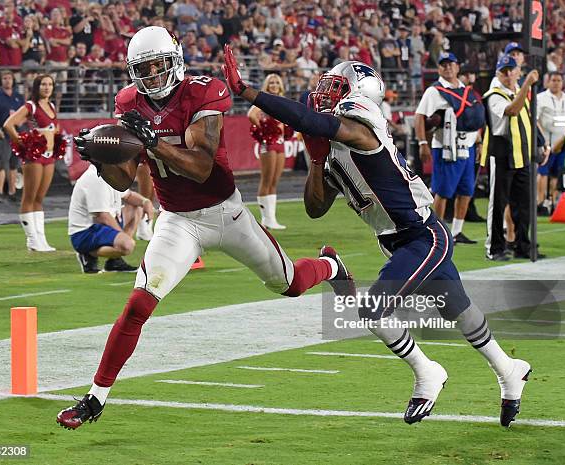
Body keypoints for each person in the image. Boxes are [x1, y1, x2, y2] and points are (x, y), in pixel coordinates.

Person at [56, 26, 353, 430]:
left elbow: (201, 166)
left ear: (175, 60)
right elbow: (124, 179)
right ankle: (95, 398)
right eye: (145, 69)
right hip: (177, 221)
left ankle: (330, 266)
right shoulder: (129, 101)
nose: (154, 76)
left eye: (159, 66)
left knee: (290, 284)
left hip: (225, 213)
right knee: (139, 304)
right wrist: (99, 158)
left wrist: (154, 142)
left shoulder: (203, 91)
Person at [223, 49, 532, 426]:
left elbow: (305, 117)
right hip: (399, 240)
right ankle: (508, 369)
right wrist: (318, 161)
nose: (323, 94)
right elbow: (314, 208)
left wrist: (248, 91)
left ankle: (426, 371)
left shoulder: (361, 128)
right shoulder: (336, 146)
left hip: (422, 235)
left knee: (374, 308)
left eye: (335, 88)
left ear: (358, 94)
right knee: (457, 309)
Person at [415, 52, 485, 245]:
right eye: (443, 65)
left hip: (468, 146)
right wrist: (422, 143)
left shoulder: (466, 90)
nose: (448, 68)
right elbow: (419, 116)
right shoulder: (434, 91)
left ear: (457, 67)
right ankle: (435, 234)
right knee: (443, 191)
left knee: (466, 191)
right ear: (439, 69)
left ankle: (456, 232)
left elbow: (472, 121)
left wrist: (478, 142)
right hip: (446, 147)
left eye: (451, 64)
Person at [481, 56, 545, 261]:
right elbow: (513, 110)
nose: (508, 75)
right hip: (502, 153)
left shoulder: (519, 92)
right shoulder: (494, 95)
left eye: (512, 70)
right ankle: (494, 247)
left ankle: (522, 245)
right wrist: (527, 84)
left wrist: (540, 144)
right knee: (498, 203)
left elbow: (529, 120)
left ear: (518, 71)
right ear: (497, 74)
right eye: (504, 71)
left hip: (522, 154)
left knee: (524, 204)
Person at [3, 74, 59, 252]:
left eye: (50, 84)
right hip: (34, 156)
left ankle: (41, 240)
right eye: (43, 84)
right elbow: (9, 124)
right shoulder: (31, 106)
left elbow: (54, 129)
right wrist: (22, 143)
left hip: (49, 156)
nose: (47, 87)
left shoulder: (51, 105)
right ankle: (31, 239)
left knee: (39, 198)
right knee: (29, 196)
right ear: (37, 87)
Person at [68, 164, 153, 273]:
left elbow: (128, 196)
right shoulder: (96, 178)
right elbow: (102, 216)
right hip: (84, 232)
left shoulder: (109, 173)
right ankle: (86, 253)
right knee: (127, 245)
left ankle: (114, 261)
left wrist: (145, 202)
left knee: (137, 208)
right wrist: (122, 236)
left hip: (99, 226)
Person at [248, 74, 288, 230]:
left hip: (280, 142)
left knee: (274, 182)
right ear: (266, 84)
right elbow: (251, 114)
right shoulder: (263, 99)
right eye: (271, 82)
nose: (274, 85)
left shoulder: (282, 99)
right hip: (268, 143)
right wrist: (264, 129)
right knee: (266, 180)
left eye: (276, 82)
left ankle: (272, 219)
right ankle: (266, 218)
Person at [536, 72, 565, 215]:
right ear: (547, 82)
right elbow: (535, 118)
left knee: (558, 174)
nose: (556, 83)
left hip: (562, 142)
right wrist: (542, 138)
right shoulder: (541, 98)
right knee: (543, 172)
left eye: (559, 80)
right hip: (546, 142)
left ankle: (552, 202)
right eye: (553, 80)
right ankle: (541, 202)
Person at [0, 70, 24, 203]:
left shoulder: (19, 97)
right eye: (5, 78)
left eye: (9, 78)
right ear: (1, 81)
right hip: (3, 134)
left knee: (14, 164)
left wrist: (21, 122)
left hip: (15, 134)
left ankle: (12, 191)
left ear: (13, 80)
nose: (7, 81)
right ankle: (0, 192)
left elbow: (25, 114)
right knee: (1, 164)